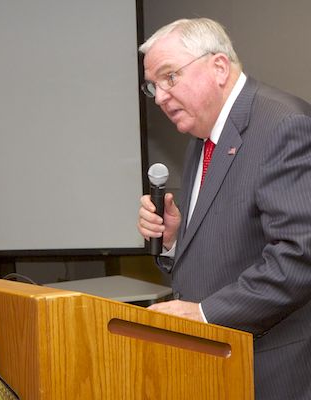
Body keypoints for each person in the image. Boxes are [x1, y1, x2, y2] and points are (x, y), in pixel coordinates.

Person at [137, 18, 311, 400]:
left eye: (170, 77)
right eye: (153, 86)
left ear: (218, 67)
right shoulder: (203, 136)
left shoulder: (284, 125)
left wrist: (204, 314)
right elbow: (234, 248)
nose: (161, 97)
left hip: (272, 370)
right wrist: (174, 241)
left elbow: (299, 257)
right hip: (218, 366)